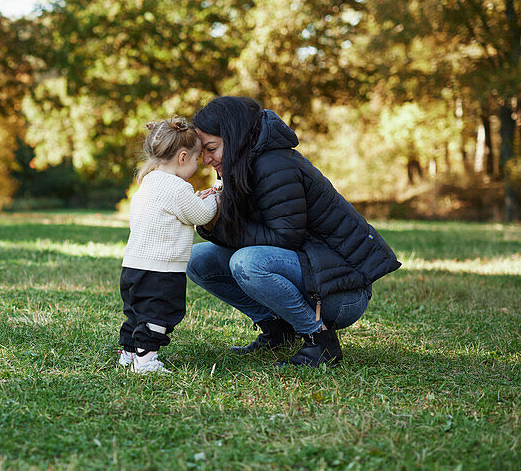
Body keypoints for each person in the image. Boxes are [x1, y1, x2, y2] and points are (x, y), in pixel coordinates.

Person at [185, 96, 401, 367]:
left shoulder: (274, 165)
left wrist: (220, 223)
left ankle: (319, 339)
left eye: (212, 148)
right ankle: (278, 330)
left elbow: (285, 239)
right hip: (311, 276)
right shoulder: (243, 166)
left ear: (234, 136)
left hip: (341, 295)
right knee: (198, 259)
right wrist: (213, 221)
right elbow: (251, 232)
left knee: (248, 263)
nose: (206, 159)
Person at [119, 116, 219, 374]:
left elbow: (180, 209)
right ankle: (145, 360)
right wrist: (216, 199)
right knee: (159, 315)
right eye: (197, 159)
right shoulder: (176, 186)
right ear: (183, 157)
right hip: (161, 270)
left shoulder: (149, 183)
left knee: (136, 313)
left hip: (133, 267)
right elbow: (201, 216)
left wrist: (197, 199)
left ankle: (129, 354)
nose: (198, 164)